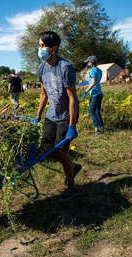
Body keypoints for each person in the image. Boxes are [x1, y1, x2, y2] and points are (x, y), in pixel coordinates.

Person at [34, 31, 82, 201]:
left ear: (54, 48)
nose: (39, 49)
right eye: (39, 45)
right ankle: (73, 167)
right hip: (51, 115)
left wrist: (71, 125)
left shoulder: (65, 67)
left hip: (65, 115)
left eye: (43, 46)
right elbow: (43, 95)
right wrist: (38, 117)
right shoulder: (41, 68)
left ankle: (72, 187)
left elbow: (71, 98)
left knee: (62, 151)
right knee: (48, 150)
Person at [82, 56, 104, 136]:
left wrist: (86, 91)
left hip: (94, 94)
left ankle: (97, 130)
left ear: (91, 62)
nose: (88, 63)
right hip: (99, 93)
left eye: (88, 62)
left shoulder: (92, 71)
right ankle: (101, 128)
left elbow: (93, 82)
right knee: (97, 112)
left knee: (91, 112)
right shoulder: (99, 70)